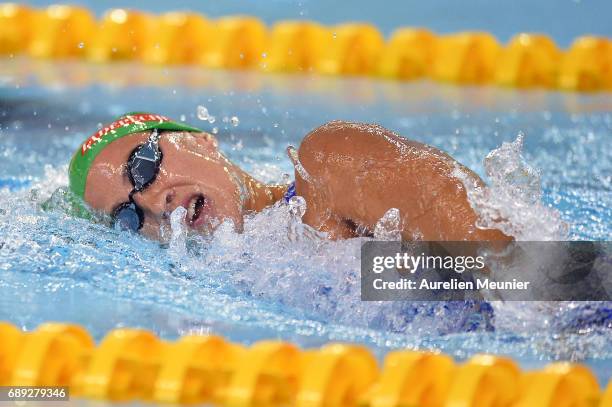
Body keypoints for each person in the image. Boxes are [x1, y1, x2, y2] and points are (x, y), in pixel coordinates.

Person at [68, 112, 511, 242]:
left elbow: (529, 271)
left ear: (202, 141)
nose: (150, 203)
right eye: (127, 216)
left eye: (142, 167)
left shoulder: (329, 165)